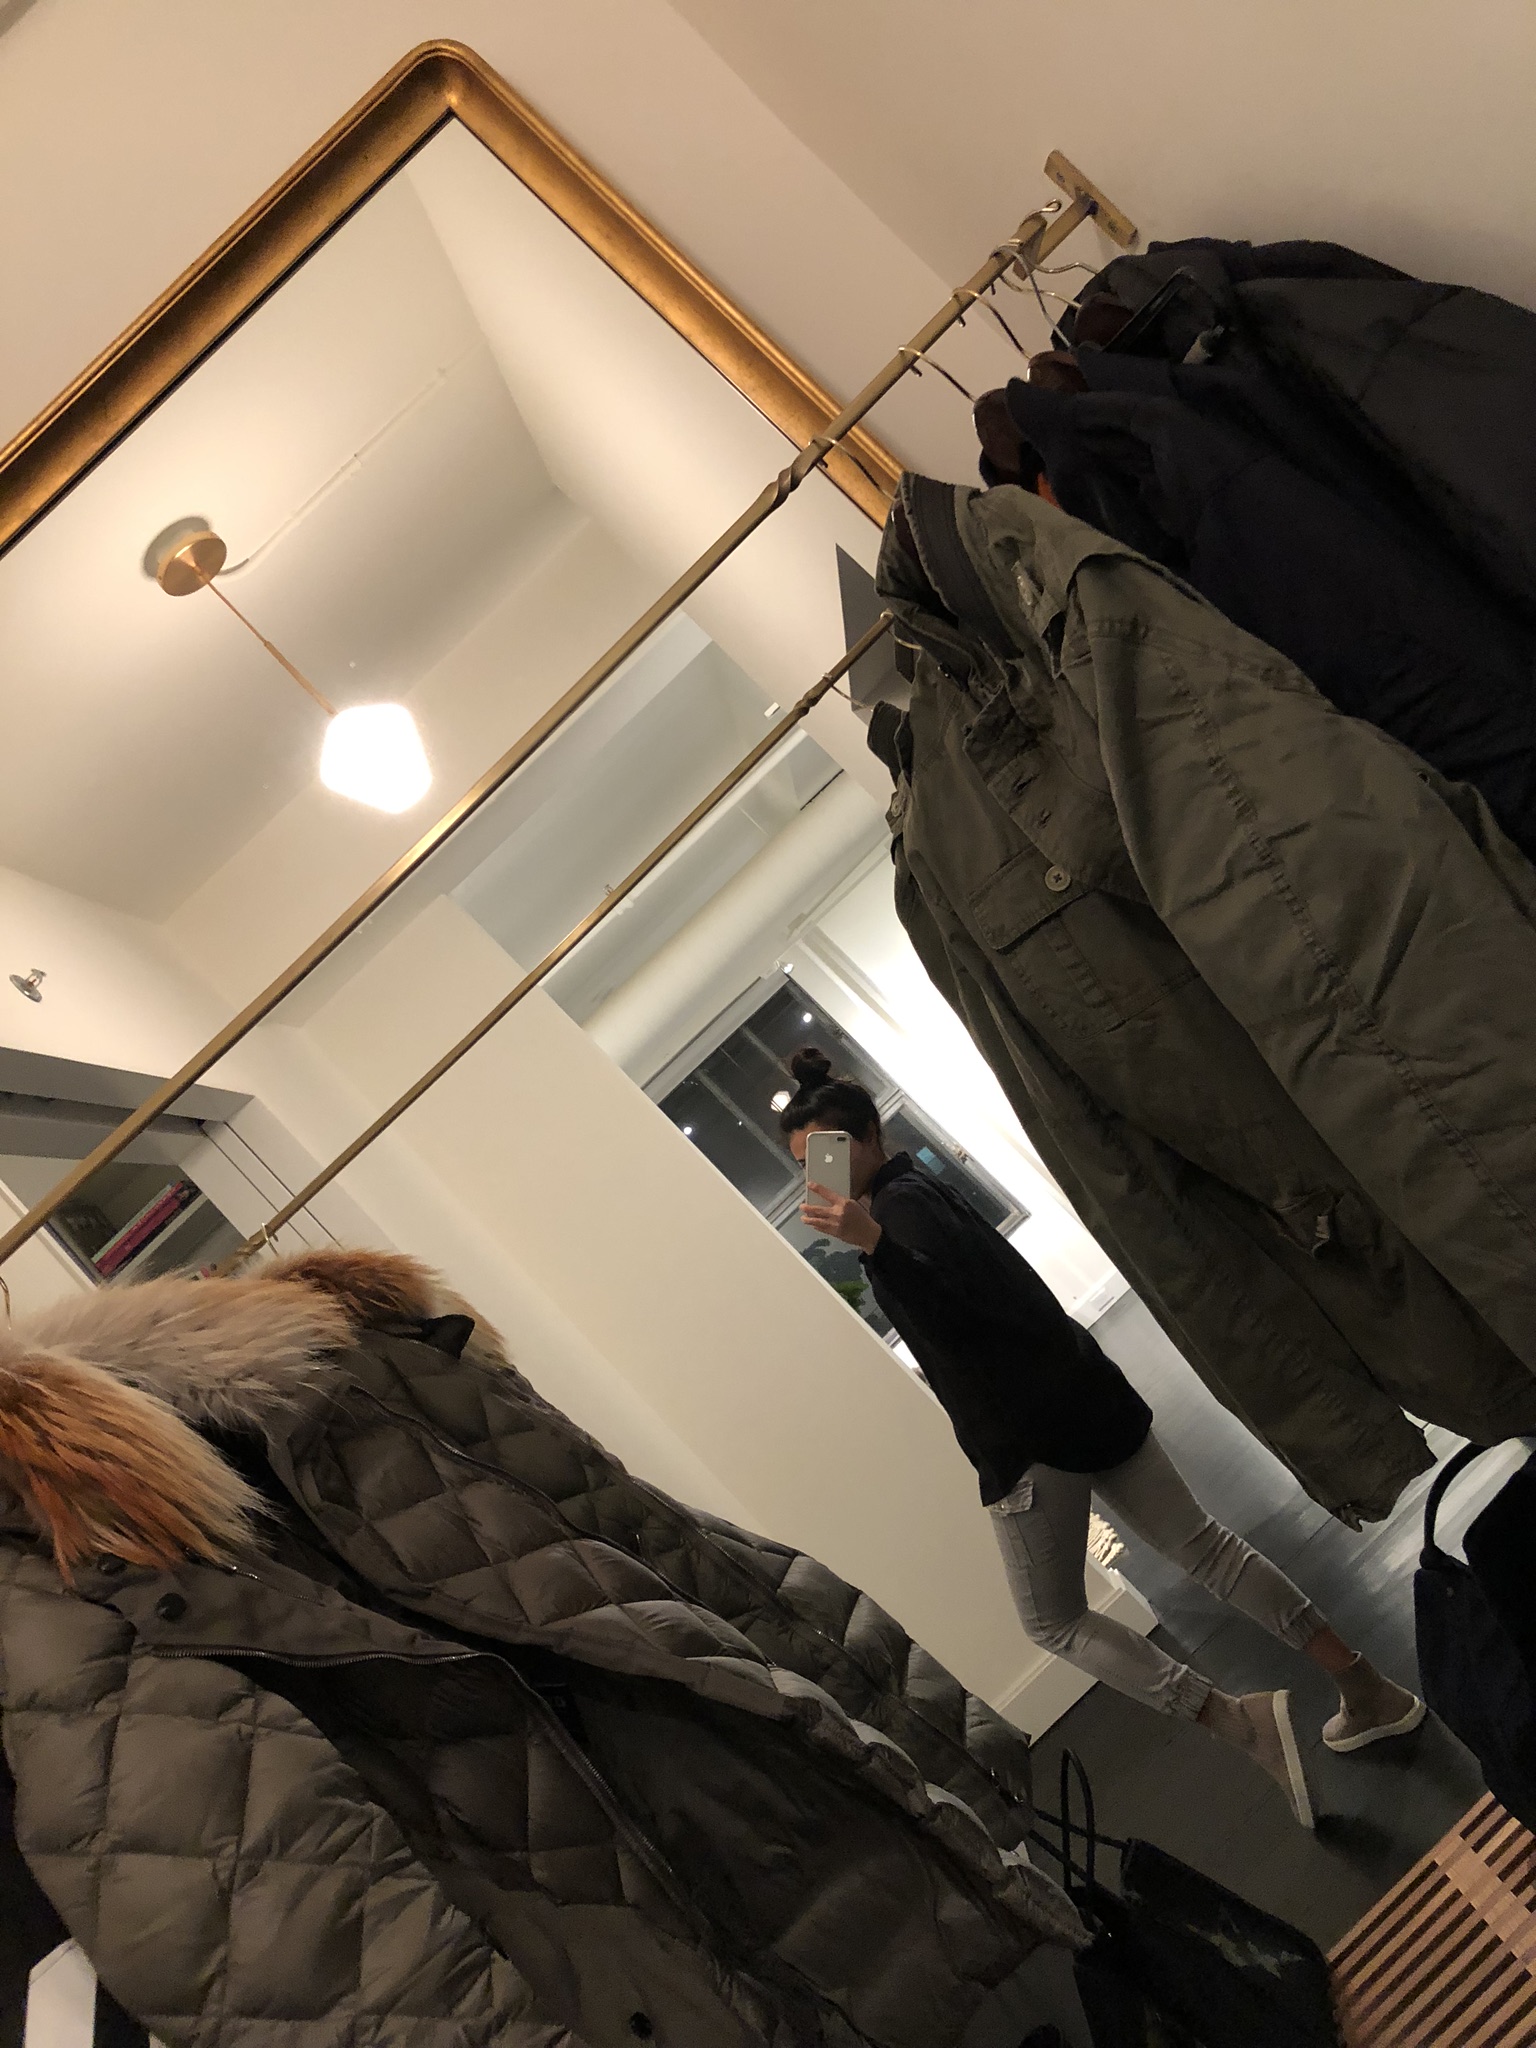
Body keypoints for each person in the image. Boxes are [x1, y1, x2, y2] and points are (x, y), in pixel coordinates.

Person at [780, 1047, 1426, 1828]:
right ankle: (1365, 1686)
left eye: (824, 1154)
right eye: (804, 1165)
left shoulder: (896, 1216)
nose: (815, 1175)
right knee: (1206, 1549)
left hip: (1030, 1438)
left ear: (865, 1136)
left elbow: (973, 1317)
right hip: (1084, 1394)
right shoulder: (919, 1192)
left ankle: (1244, 1725)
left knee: (1052, 1621)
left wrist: (879, 1249)